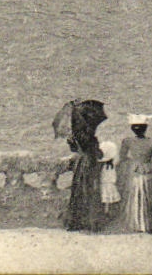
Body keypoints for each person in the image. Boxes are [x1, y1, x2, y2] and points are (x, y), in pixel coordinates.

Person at [56, 99, 109, 231]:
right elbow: (98, 154)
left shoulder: (75, 135)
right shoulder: (90, 136)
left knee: (78, 191)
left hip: (80, 163)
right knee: (90, 191)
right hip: (89, 162)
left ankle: (76, 221)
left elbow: (74, 150)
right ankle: (90, 222)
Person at [118, 114, 152, 233]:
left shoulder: (127, 141)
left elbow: (122, 157)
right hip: (148, 171)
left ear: (132, 129)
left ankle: (137, 223)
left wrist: (133, 163)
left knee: (136, 197)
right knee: (149, 198)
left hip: (135, 171)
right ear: (145, 128)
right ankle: (148, 224)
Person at [99, 139, 122, 226]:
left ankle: (107, 212)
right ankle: (108, 212)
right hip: (109, 182)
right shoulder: (112, 166)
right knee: (108, 197)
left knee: (105, 197)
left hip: (105, 182)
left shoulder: (102, 166)